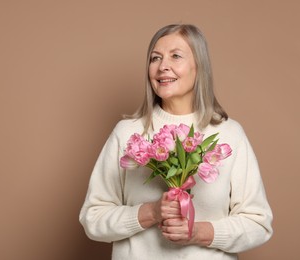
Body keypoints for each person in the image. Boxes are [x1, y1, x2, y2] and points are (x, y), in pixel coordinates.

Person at [79, 24, 273, 260]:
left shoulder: (230, 135)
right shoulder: (127, 134)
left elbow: (258, 224)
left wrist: (200, 232)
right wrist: (150, 212)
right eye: (155, 58)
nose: (162, 67)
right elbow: (93, 219)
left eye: (176, 56)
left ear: (199, 67)